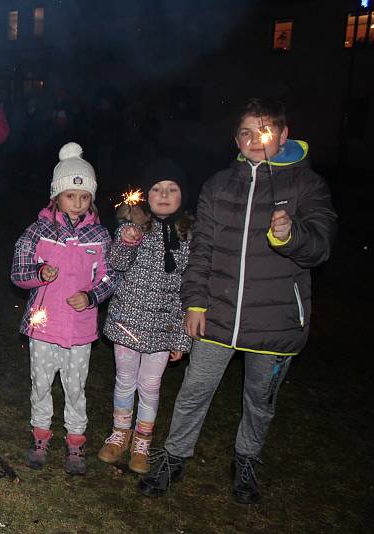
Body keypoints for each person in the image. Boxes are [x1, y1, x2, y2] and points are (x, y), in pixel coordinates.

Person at [138, 98, 337, 504]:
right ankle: (174, 456)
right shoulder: (219, 185)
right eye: (245, 132)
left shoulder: (306, 185)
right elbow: (202, 251)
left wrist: (290, 235)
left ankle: (246, 460)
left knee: (260, 401)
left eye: (263, 130)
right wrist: (194, 304)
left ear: (283, 134)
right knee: (194, 389)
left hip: (276, 318)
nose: (253, 139)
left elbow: (320, 247)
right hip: (219, 313)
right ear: (236, 138)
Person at [11, 142, 117, 475]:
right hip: (44, 326)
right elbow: (18, 269)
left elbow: (110, 276)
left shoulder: (99, 236)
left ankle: (75, 443)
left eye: (84, 197)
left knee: (75, 387)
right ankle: (40, 436)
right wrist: (39, 273)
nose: (77, 203)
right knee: (41, 384)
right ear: (57, 195)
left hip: (80, 329)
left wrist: (91, 296)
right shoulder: (39, 231)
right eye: (71, 195)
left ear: (92, 199)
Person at [98, 159, 193, 474]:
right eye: (156, 189)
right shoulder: (135, 227)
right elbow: (117, 264)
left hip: (164, 329)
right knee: (125, 380)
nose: (164, 195)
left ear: (183, 195)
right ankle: (119, 433)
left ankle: (142, 440)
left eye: (172, 189)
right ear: (146, 195)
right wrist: (125, 243)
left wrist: (182, 337)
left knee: (150, 385)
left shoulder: (190, 238)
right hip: (129, 322)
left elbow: (189, 291)